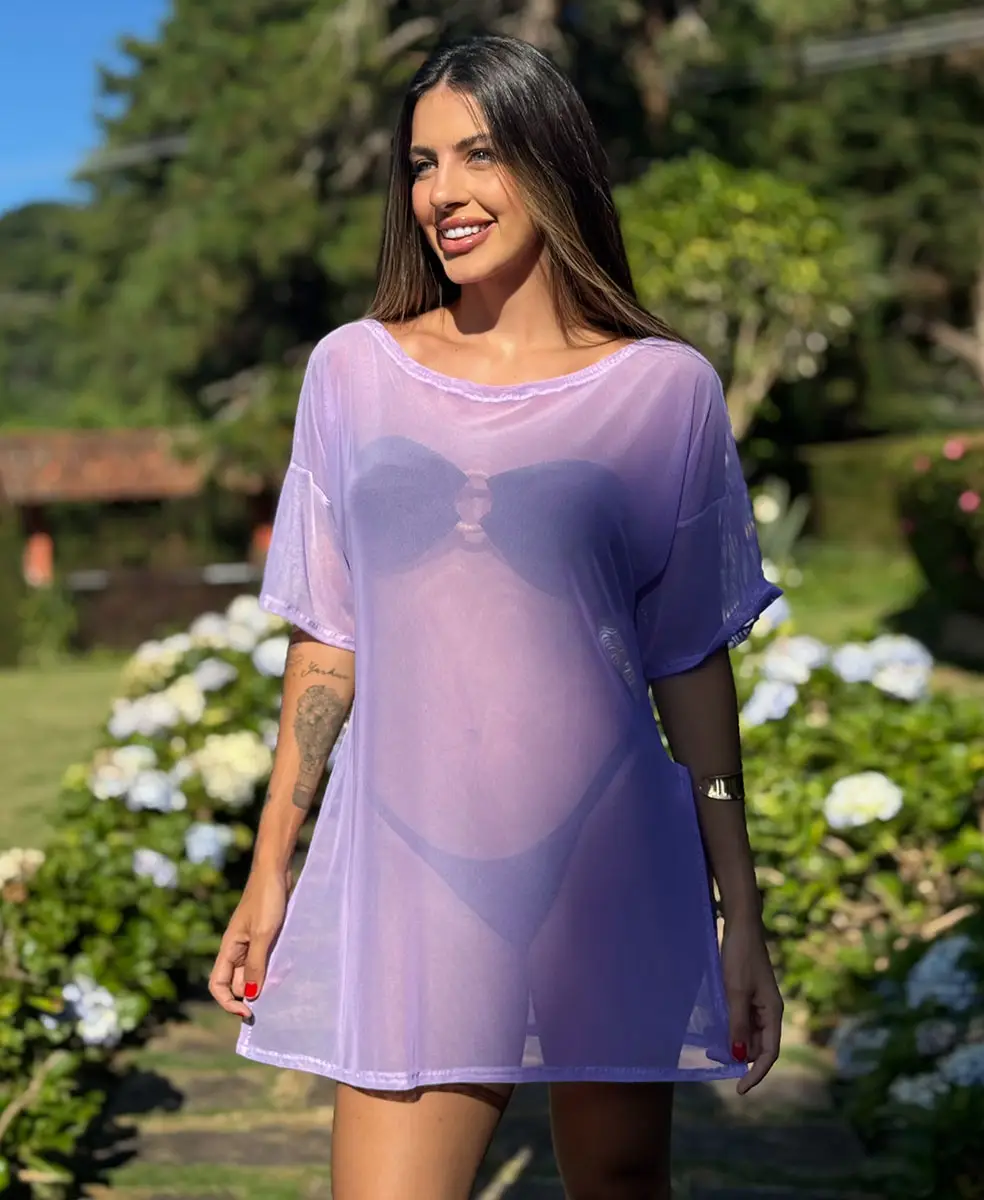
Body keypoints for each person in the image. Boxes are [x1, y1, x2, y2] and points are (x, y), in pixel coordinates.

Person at [209, 33, 784, 1199]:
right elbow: (329, 640)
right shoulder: (352, 373)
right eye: (423, 164)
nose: (443, 193)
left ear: (552, 160)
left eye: (478, 154)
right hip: (409, 864)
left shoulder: (665, 389)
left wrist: (741, 908)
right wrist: (271, 867)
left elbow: (689, 663)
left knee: (619, 1184)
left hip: (608, 858)